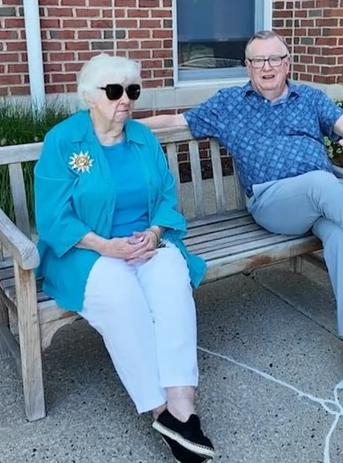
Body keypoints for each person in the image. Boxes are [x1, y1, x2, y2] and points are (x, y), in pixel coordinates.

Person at [140, 30, 343, 413]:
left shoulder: (309, 98)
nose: (267, 67)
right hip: (273, 203)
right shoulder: (228, 103)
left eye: (274, 58)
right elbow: (173, 119)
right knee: (323, 183)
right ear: (247, 67)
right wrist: (116, 124)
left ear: (287, 63)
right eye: (258, 60)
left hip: (323, 203)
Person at [33, 54, 215, 462]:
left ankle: (183, 407)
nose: (125, 100)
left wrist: (154, 234)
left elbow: (166, 195)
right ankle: (160, 410)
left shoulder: (141, 138)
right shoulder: (64, 140)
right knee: (120, 296)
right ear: (88, 97)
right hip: (85, 250)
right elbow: (52, 215)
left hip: (144, 243)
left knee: (172, 281)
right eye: (114, 91)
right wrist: (105, 246)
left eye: (132, 90)